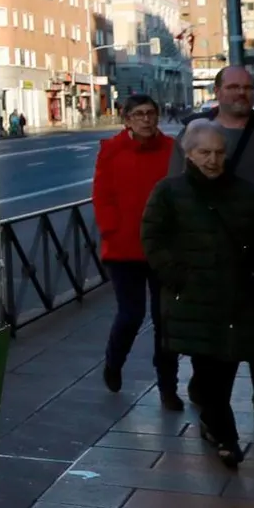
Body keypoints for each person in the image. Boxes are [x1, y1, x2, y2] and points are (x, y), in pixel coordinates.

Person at [169, 65, 254, 425]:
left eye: (246, 87)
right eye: (232, 87)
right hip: (209, 253)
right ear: (217, 91)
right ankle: (204, 386)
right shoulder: (193, 133)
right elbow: (175, 191)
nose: (240, 93)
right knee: (211, 325)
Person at [142, 120, 254, 468]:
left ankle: (211, 421)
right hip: (192, 296)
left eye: (219, 153)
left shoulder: (245, 193)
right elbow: (152, 238)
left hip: (236, 297)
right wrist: (177, 277)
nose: (213, 160)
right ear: (189, 154)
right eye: (204, 153)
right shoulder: (169, 192)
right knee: (208, 363)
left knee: (226, 363)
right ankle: (226, 435)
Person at [93, 94, 182, 408]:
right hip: (124, 249)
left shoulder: (173, 150)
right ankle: (114, 362)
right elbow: (102, 195)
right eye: (139, 114)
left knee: (166, 320)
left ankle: (168, 386)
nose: (147, 119)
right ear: (127, 119)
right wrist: (111, 229)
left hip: (163, 248)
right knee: (131, 315)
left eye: (151, 113)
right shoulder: (112, 151)